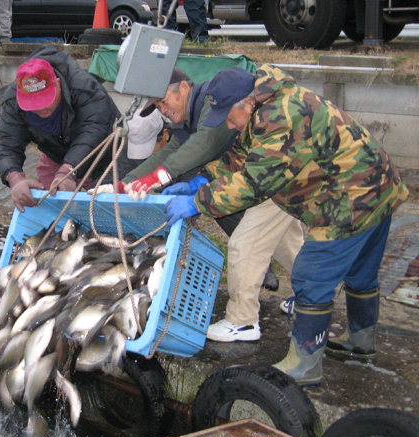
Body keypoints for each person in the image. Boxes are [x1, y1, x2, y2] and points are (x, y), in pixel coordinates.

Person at [165, 65, 408, 385]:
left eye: (228, 115)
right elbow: (239, 158)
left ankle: (304, 364)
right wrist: (202, 178)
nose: (227, 123)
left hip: (353, 200)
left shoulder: (280, 117)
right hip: (378, 186)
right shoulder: (268, 105)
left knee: (311, 274)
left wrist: (196, 202)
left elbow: (253, 183)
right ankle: (360, 342)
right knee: (360, 273)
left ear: (246, 103)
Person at [92, 67, 301, 342]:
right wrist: (127, 183)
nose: (163, 110)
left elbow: (205, 145)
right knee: (284, 237)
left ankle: (243, 321)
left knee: (246, 243)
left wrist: (183, 189)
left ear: (185, 88)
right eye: (156, 107)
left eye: (164, 101)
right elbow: (173, 151)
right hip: (268, 172)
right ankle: (313, 294)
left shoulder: (214, 103)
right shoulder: (192, 114)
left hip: (272, 173)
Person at [0, 46, 121, 212]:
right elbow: (6, 143)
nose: (41, 110)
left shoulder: (84, 88)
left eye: (45, 101)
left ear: (57, 84)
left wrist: (69, 169)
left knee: (103, 211)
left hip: (105, 155)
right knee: (48, 210)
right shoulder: (13, 101)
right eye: (33, 105)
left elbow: (94, 129)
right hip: (56, 155)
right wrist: (14, 177)